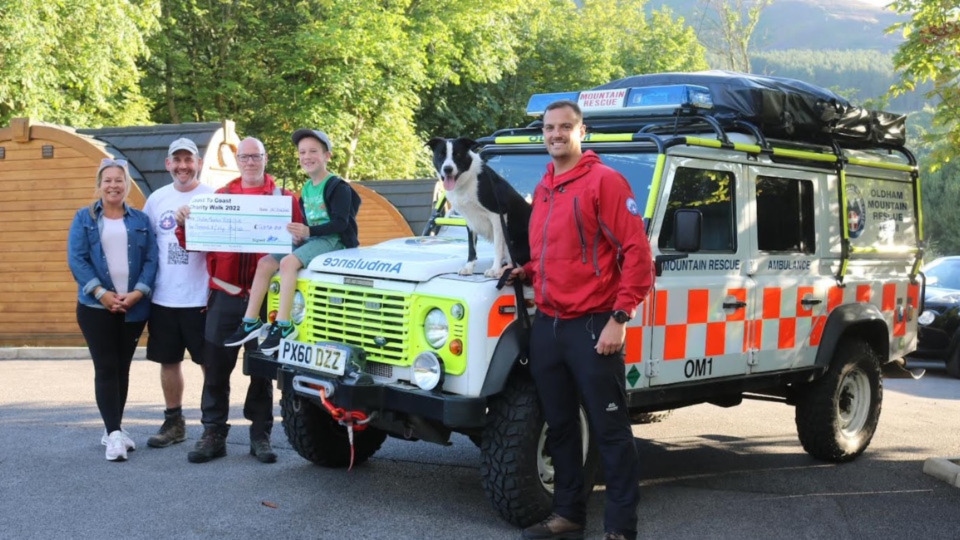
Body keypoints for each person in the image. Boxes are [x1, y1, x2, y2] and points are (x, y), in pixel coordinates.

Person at [508, 100, 654, 540]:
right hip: (548, 327)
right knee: (562, 426)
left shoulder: (604, 182)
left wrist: (620, 317)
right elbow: (562, 254)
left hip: (593, 326)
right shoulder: (547, 185)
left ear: (581, 132)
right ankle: (568, 515)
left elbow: (638, 256)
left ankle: (621, 528)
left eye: (565, 127)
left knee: (610, 432)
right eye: (549, 128)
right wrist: (528, 272)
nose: (556, 134)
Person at [174, 137, 305, 464]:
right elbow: (194, 244)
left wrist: (303, 234)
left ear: (265, 158)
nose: (250, 162)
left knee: (261, 370)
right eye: (244, 157)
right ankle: (213, 432)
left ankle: (260, 434)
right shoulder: (220, 198)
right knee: (215, 368)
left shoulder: (285, 200)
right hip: (226, 296)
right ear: (238, 160)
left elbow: (303, 245)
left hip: (265, 301)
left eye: (255, 156)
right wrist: (184, 225)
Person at [223, 129, 360, 354]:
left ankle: (284, 324)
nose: (307, 156)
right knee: (266, 262)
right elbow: (307, 222)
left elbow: (341, 224)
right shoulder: (306, 188)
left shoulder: (337, 186)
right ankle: (250, 320)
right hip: (314, 238)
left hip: (334, 240)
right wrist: (300, 234)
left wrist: (309, 230)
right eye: (302, 152)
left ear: (327, 156)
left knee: (288, 262)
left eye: (313, 151)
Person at [67, 158, 158, 462]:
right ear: (99, 185)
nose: (113, 185)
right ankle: (115, 434)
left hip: (133, 307)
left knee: (122, 368)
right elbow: (77, 259)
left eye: (119, 180)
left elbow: (150, 260)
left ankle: (112, 430)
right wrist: (102, 293)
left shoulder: (140, 220)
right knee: (106, 367)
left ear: (127, 184)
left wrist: (137, 293)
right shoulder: (84, 218)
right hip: (95, 307)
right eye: (108, 180)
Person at [142, 138, 213, 448]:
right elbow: (145, 247)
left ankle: (213, 426)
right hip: (163, 299)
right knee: (168, 362)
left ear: (197, 163)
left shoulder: (212, 197)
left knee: (209, 363)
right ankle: (174, 423)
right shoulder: (156, 199)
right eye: (177, 159)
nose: (183, 165)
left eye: (189, 159)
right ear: (168, 164)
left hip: (201, 298)